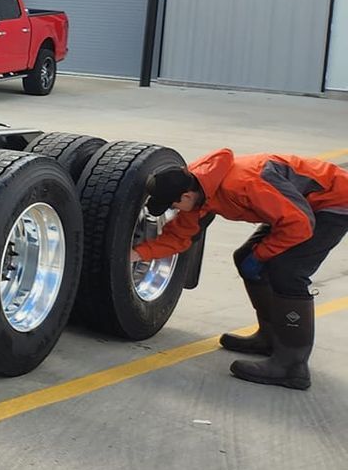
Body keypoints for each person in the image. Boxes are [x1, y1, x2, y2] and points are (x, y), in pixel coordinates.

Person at [134, 149, 348, 391]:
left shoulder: (244, 184)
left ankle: (292, 366)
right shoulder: (198, 190)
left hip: (334, 202)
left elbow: (299, 225)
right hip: (299, 207)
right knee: (246, 258)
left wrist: (261, 255)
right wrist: (138, 254)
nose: (175, 209)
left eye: (174, 204)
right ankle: (269, 338)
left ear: (186, 194)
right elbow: (180, 236)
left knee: (287, 272)